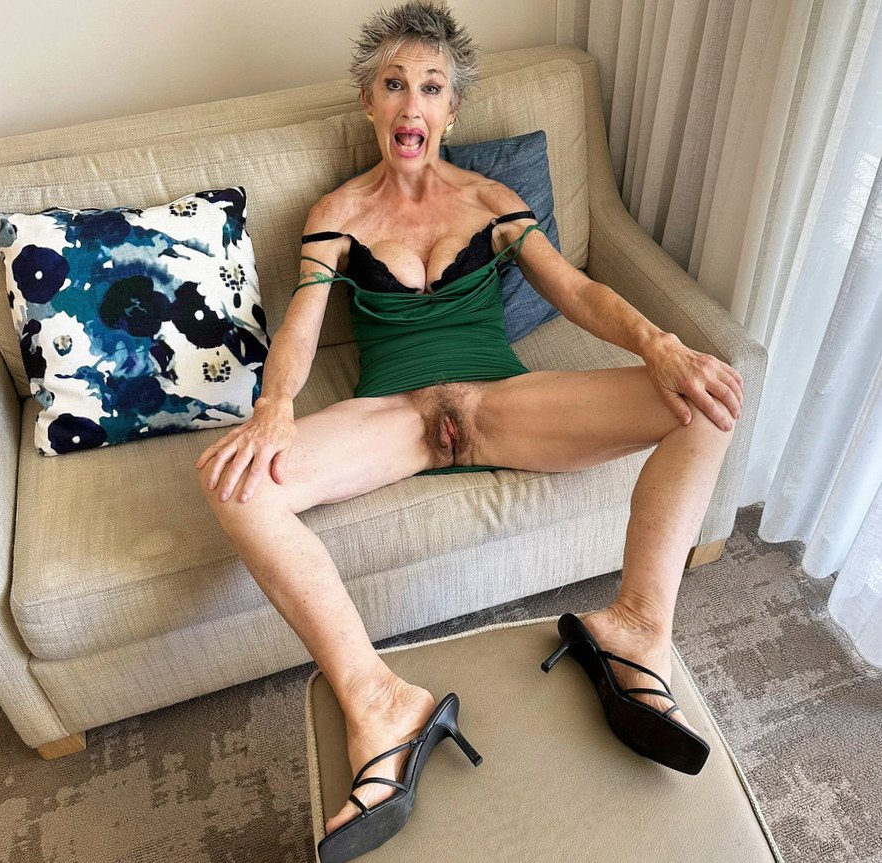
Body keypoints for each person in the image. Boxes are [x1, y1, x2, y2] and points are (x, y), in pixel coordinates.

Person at [196, 0, 742, 857]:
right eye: (393, 85)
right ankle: (380, 703)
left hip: (502, 405)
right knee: (230, 482)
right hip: (399, 421)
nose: (411, 103)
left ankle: (636, 627)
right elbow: (301, 322)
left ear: (452, 110)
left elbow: (576, 291)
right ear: (369, 103)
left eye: (431, 87)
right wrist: (275, 406)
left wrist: (661, 345)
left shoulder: (493, 200)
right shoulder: (336, 210)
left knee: (708, 397)